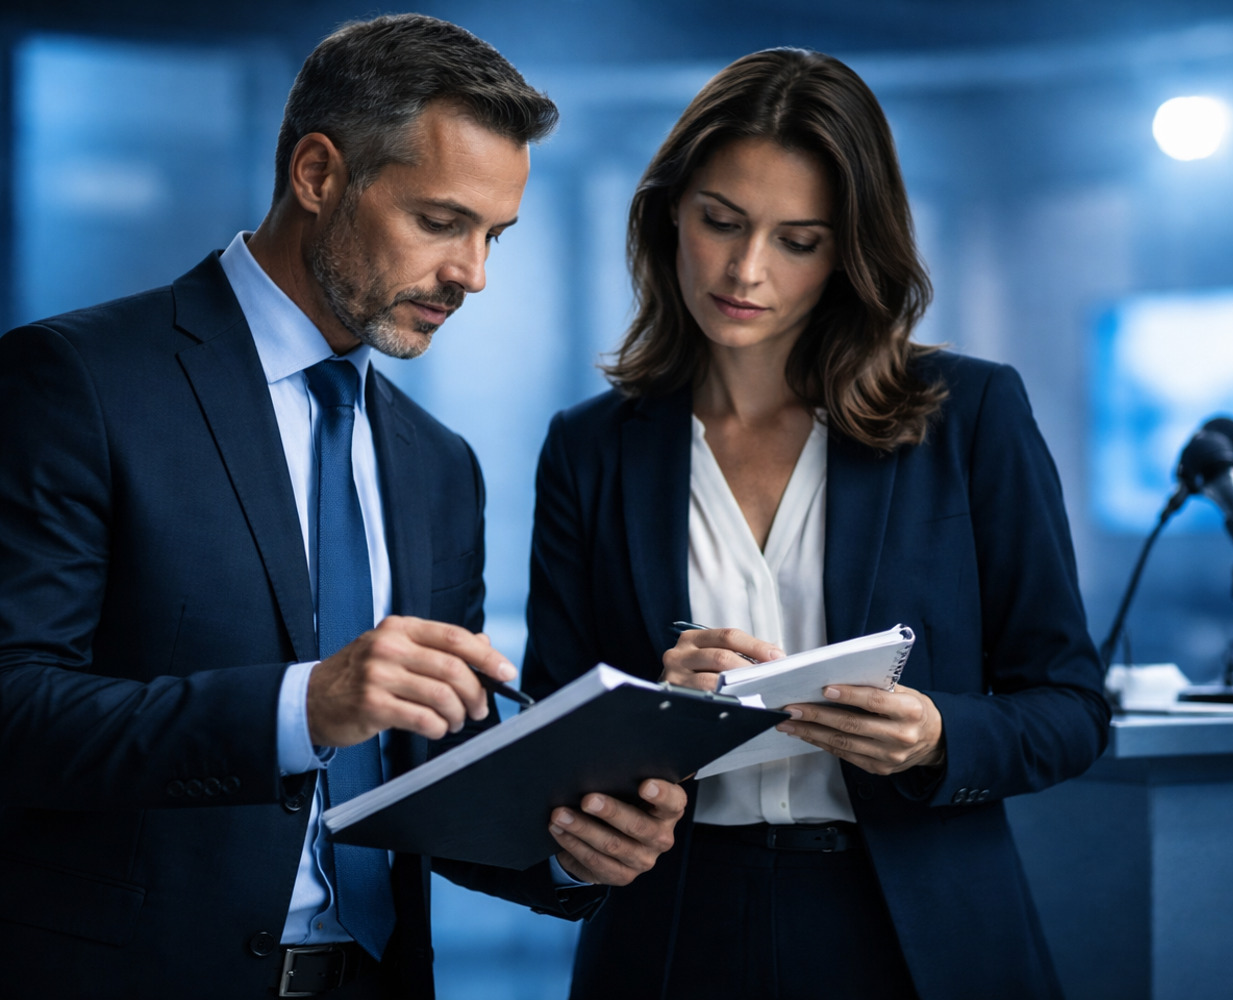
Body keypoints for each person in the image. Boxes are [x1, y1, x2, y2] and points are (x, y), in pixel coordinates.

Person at [0, 15, 684, 999]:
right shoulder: (78, 380)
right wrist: (302, 704)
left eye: (493, 235)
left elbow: (421, 776)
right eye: (441, 221)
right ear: (318, 175)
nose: (473, 275)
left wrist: (574, 843)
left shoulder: (437, 465)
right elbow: (16, 704)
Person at [522, 47, 1110, 1000]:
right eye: (720, 222)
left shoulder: (971, 414)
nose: (747, 270)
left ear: (849, 253)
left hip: (912, 928)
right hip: (671, 930)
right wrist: (647, 704)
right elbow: (552, 724)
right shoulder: (590, 447)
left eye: (798, 241)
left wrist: (936, 737)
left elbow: (1072, 708)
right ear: (668, 209)